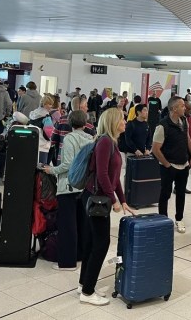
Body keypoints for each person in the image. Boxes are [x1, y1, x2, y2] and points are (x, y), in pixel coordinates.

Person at [78, 108, 135, 306]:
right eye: (122, 119)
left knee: (93, 243)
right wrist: (113, 200)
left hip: (100, 199)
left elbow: (114, 178)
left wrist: (123, 200)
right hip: (97, 200)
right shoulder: (104, 142)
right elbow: (102, 174)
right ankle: (87, 292)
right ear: (113, 122)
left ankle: (84, 284)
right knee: (101, 244)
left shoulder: (112, 143)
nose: (125, 122)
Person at [43, 111, 94, 271]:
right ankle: (80, 255)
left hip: (68, 186)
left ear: (70, 123)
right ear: (85, 123)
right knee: (81, 223)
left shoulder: (70, 138)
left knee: (67, 226)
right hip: (84, 186)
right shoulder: (91, 139)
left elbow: (67, 165)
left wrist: (50, 170)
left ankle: (67, 262)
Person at [151, 96, 191, 234]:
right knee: (165, 194)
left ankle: (179, 218)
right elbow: (155, 148)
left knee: (181, 193)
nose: (185, 107)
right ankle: (163, 220)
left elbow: (187, 138)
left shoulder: (184, 121)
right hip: (169, 166)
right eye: (182, 106)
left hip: (183, 165)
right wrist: (166, 164)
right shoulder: (162, 125)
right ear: (174, 108)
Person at [49, 97, 96, 165]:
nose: (87, 108)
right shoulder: (88, 124)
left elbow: (53, 141)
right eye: (86, 105)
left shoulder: (61, 120)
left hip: (62, 160)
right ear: (80, 107)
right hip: (81, 162)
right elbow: (93, 145)